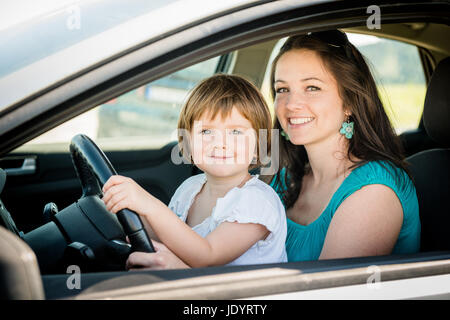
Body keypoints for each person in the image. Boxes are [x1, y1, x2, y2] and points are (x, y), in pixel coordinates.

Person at [102, 74, 287, 268]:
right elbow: (172, 238)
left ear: (258, 145)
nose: (220, 144)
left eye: (236, 132)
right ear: (188, 142)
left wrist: (148, 204)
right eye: (206, 131)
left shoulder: (257, 202)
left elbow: (207, 255)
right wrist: (129, 214)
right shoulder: (190, 189)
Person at [268, 30, 421, 261]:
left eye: (312, 88)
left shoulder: (374, 191)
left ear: (349, 101)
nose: (291, 104)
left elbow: (327, 293)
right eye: (282, 89)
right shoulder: (284, 177)